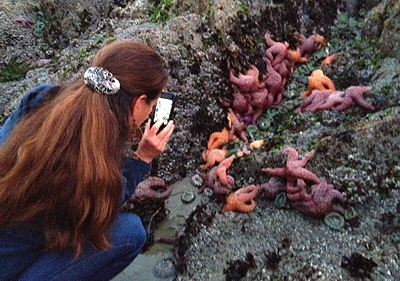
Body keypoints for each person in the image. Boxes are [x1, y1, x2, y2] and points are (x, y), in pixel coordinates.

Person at [0, 40, 175, 280]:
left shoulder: (39, 98)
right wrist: (142, 158)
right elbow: (102, 210)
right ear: (137, 103)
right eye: (152, 105)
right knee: (131, 233)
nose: (149, 113)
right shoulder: (87, 174)